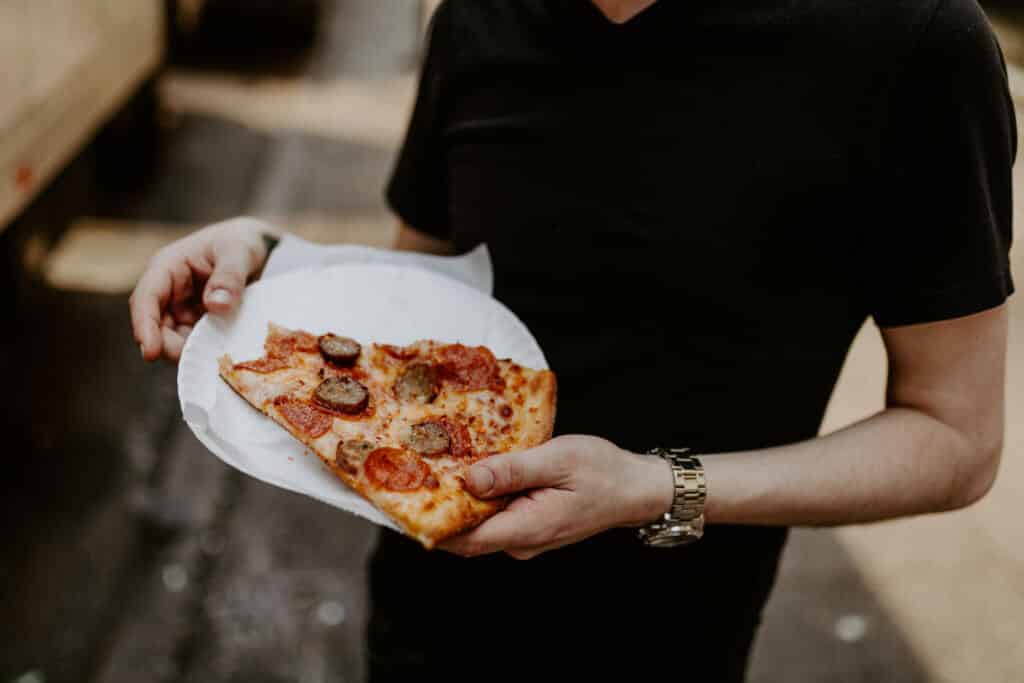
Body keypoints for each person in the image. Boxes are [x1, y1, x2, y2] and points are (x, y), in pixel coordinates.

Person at [130, 0, 1015, 680]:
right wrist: (274, 262)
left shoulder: (914, 42)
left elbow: (955, 436)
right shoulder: (477, 18)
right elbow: (417, 307)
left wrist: (653, 486)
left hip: (663, 643)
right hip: (418, 617)